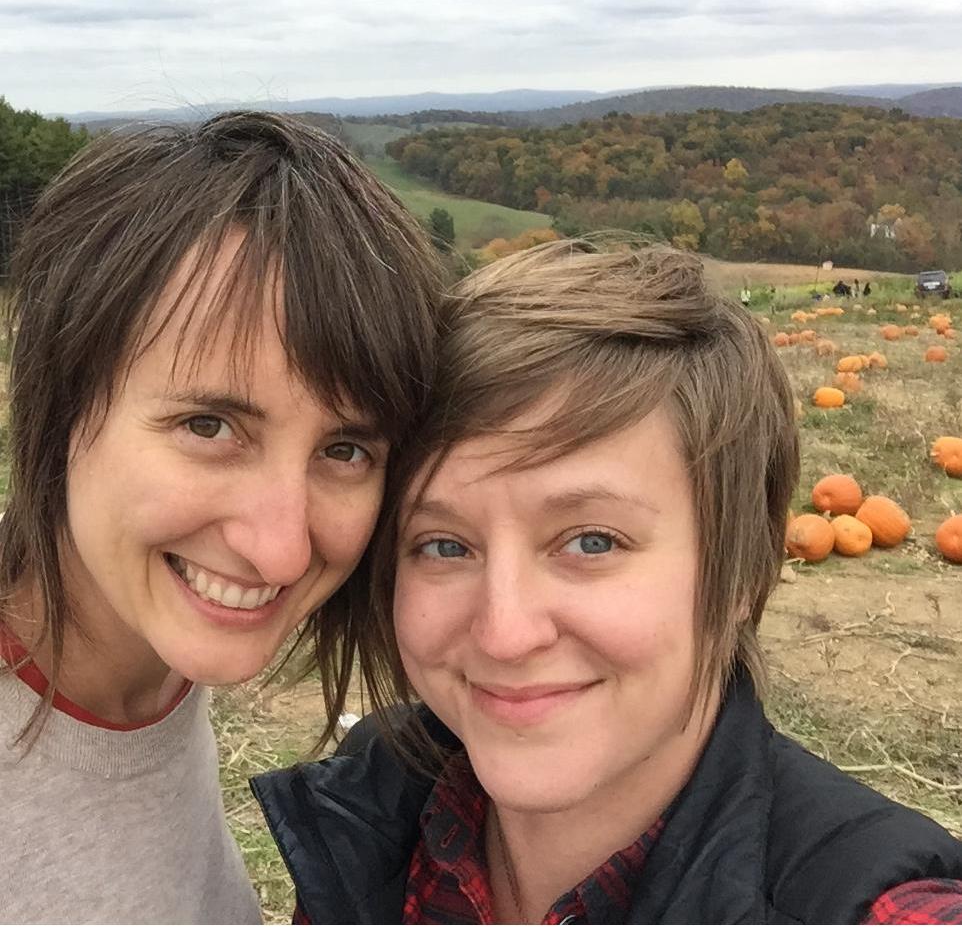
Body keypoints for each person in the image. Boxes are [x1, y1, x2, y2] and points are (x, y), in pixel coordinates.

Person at [254, 239, 962, 925]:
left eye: (592, 541)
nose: (504, 633)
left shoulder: (866, 906)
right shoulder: (372, 814)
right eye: (444, 545)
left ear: (743, 569)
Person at [0, 111, 441, 923]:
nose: (279, 552)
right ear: (59, 408)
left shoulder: (145, 656)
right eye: (209, 427)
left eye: (345, 449)